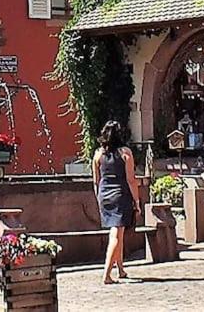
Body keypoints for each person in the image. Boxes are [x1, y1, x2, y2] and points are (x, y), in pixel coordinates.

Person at [92, 120, 140, 284]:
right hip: (120, 195)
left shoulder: (98, 154)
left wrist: (99, 198)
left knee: (117, 232)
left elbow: (96, 181)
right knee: (116, 235)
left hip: (105, 195)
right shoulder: (125, 153)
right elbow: (131, 180)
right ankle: (106, 274)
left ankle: (120, 268)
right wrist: (137, 201)